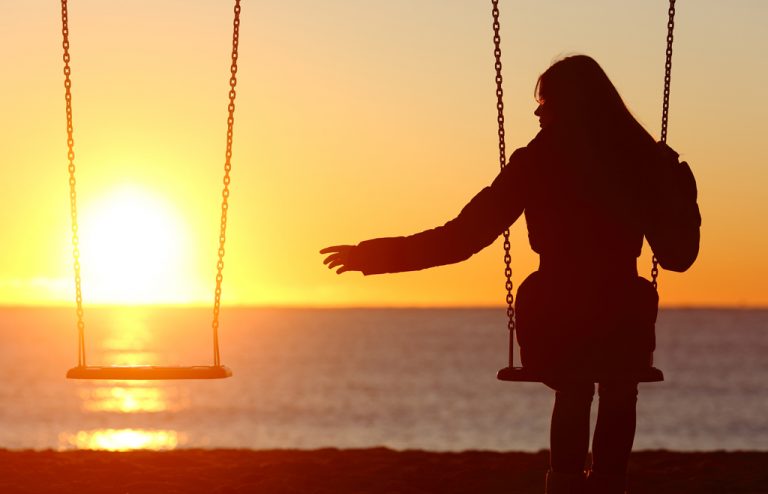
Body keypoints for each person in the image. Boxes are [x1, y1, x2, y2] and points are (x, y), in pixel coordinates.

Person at [321, 55, 692, 494]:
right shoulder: (642, 159)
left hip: (558, 314)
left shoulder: (537, 160)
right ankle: (610, 483)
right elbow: (679, 256)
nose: (537, 112)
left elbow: (462, 238)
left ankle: (566, 485)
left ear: (567, 105)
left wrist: (375, 256)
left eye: (544, 102)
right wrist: (680, 187)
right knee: (619, 385)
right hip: (620, 317)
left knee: (574, 387)